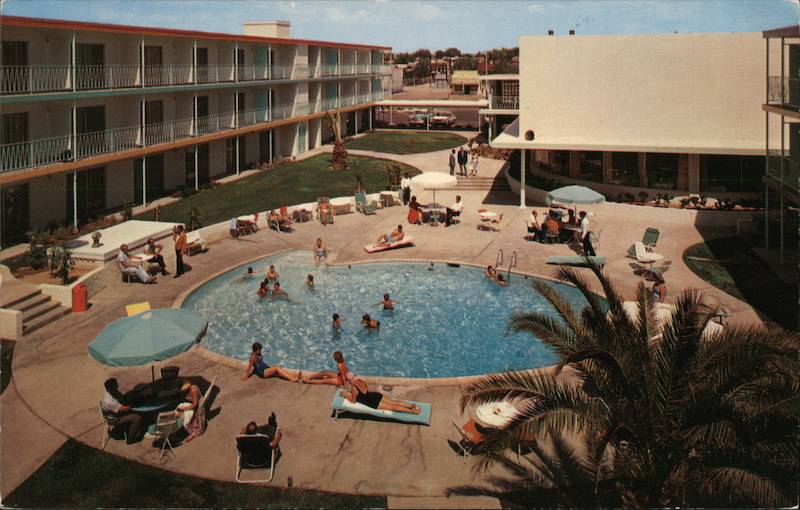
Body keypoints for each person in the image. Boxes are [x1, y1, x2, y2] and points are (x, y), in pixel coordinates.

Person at [340, 372, 421, 414]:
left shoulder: (354, 388)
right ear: (354, 376)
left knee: (392, 407)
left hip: (373, 402)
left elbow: (353, 401)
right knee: (393, 402)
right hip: (375, 395)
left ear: (349, 380)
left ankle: (412, 411)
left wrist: (346, 396)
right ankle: (412, 406)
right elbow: (365, 391)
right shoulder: (359, 380)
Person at [101, 378, 143, 444]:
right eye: (115, 387)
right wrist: (133, 405)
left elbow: (121, 398)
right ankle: (131, 438)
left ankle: (129, 428)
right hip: (114, 419)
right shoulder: (109, 401)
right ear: (110, 389)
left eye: (116, 386)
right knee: (136, 418)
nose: (117, 387)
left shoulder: (111, 392)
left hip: (115, 412)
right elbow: (124, 409)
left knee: (130, 395)